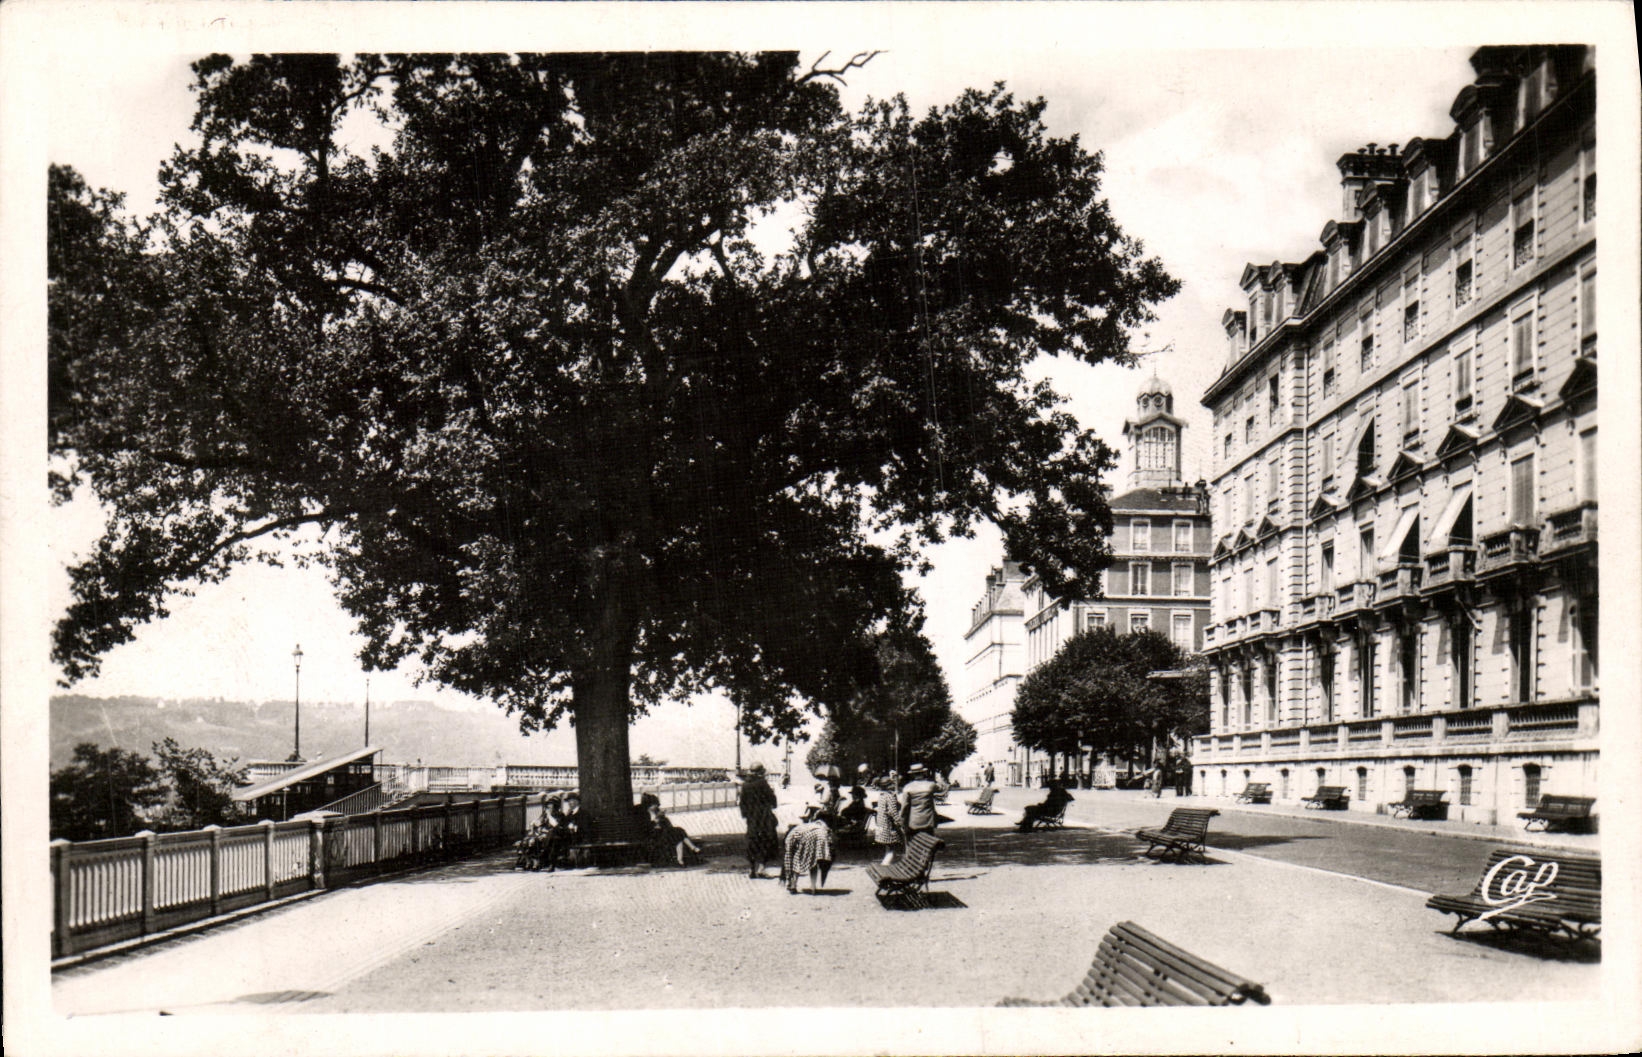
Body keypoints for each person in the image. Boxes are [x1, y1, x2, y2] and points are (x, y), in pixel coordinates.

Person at [738, 762, 780, 879]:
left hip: (752, 818)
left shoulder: (745, 785)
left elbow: (742, 804)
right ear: (761, 772)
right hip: (764, 818)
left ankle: (751, 869)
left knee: (752, 841)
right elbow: (773, 801)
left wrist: (747, 815)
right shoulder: (763, 784)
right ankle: (761, 868)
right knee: (766, 841)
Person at [782, 804, 835, 894]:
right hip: (816, 836)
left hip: (798, 834)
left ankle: (793, 884)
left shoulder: (808, 825)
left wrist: (790, 849)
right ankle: (813, 887)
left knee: (796, 861)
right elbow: (829, 841)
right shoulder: (825, 828)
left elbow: (792, 838)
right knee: (813, 863)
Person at [646, 801, 703, 867]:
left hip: (665, 834)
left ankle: (680, 860)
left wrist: (661, 819)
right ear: (649, 806)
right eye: (653, 805)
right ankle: (692, 849)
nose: (655, 806)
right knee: (679, 832)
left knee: (678, 835)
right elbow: (648, 828)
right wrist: (655, 822)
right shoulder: (646, 814)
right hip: (656, 836)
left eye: (656, 805)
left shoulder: (658, 814)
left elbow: (669, 826)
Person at [898, 762, 941, 838]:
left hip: (914, 820)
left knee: (916, 842)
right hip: (929, 819)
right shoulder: (930, 785)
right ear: (924, 773)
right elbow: (941, 788)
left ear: (912, 774)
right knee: (929, 841)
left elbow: (905, 806)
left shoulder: (908, 787)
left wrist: (902, 820)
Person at [870, 775, 904, 866]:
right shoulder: (890, 796)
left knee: (888, 849)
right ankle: (884, 867)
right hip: (889, 827)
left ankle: (886, 865)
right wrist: (900, 823)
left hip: (882, 825)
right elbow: (893, 812)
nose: (894, 785)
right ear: (889, 785)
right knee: (892, 850)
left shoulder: (882, 795)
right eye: (892, 783)